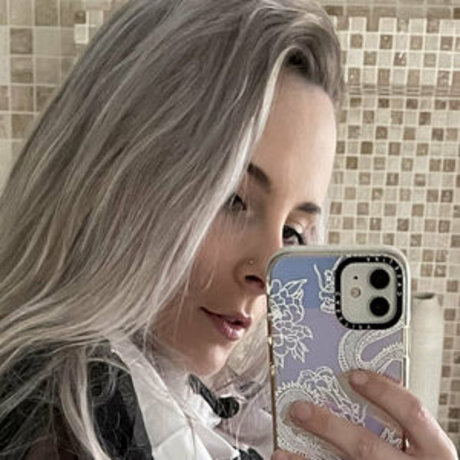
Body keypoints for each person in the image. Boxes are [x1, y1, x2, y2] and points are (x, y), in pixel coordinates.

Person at [0, 0, 456, 459]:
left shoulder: (205, 411)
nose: (269, 274)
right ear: (112, 174)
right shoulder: (61, 429)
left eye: (294, 231)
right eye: (232, 200)